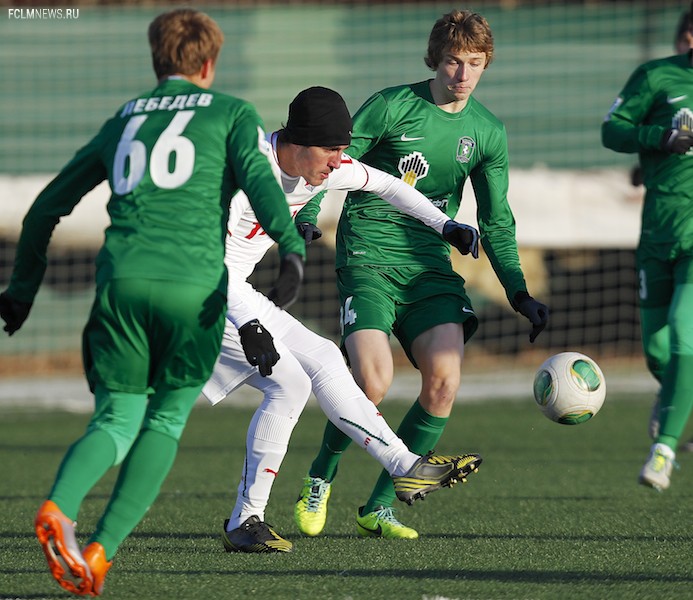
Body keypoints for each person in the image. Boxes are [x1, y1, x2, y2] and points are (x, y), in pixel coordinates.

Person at [0, 9, 307, 596]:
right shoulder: (232, 113)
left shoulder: (125, 118)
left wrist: (20, 291)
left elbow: (44, 209)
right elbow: (264, 186)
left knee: (115, 420)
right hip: (193, 289)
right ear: (210, 63)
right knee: (165, 419)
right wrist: (290, 251)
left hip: (121, 285)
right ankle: (99, 553)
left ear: (155, 59)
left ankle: (59, 508)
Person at [293, 9, 549, 540]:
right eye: (454, 60)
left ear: (485, 65)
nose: (463, 73)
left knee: (445, 380)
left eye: (474, 63)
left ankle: (379, 506)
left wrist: (518, 290)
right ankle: (320, 478)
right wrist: (307, 215)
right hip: (368, 256)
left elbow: (497, 221)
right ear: (435, 59)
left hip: (430, 268)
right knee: (371, 381)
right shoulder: (392, 106)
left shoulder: (487, 131)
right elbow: (330, 161)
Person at [203, 86, 484, 553]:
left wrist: (444, 224)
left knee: (323, 358)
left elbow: (388, 184)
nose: (339, 161)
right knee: (288, 383)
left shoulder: (323, 169)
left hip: (235, 294)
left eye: (342, 150)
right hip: (198, 297)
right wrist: (249, 323)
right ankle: (245, 519)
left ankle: (403, 466)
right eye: (331, 150)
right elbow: (203, 261)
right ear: (297, 142)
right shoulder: (242, 171)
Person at [602, 3, 693, 491]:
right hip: (659, 231)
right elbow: (611, 130)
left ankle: (664, 450)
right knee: (659, 351)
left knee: (683, 332)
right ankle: (676, 401)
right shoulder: (657, 76)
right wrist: (660, 139)